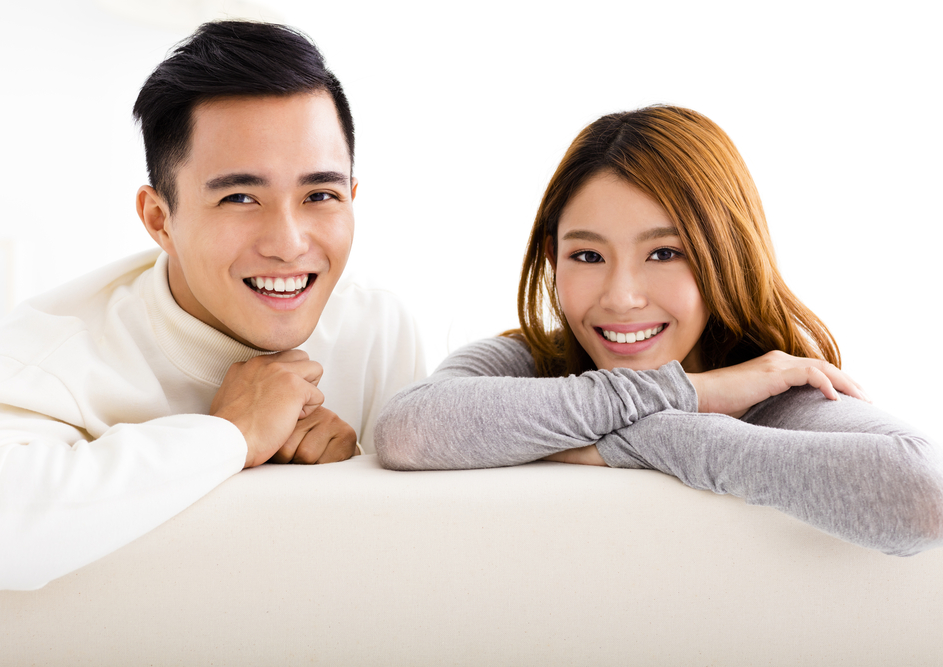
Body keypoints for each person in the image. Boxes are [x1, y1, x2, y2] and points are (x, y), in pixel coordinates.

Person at [0, 21, 424, 590]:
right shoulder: (48, 352)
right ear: (159, 219)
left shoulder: (377, 328)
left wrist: (353, 472)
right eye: (239, 197)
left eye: (320, 194)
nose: (290, 243)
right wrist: (229, 435)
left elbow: (413, 555)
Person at [375, 105, 943, 556]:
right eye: (588, 256)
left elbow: (921, 495)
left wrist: (642, 434)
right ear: (553, 259)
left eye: (665, 252)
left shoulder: (775, 394)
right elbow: (409, 429)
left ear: (726, 256)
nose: (621, 296)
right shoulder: (530, 358)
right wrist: (696, 393)